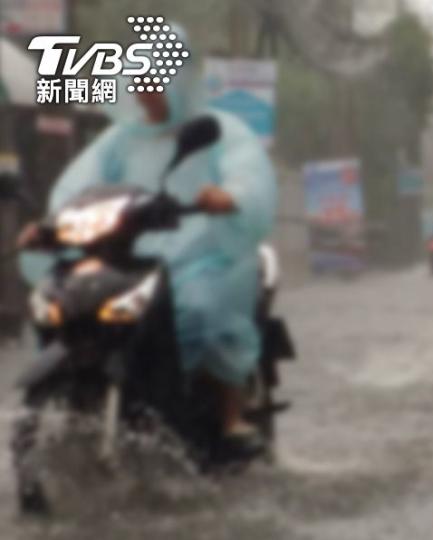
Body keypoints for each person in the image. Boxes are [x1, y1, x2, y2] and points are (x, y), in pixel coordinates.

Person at [17, 28, 276, 450]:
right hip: (129, 254)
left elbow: (247, 173)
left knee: (202, 311)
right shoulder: (120, 140)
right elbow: (78, 186)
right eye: (138, 81)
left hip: (203, 254)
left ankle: (231, 415)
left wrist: (228, 196)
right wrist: (50, 224)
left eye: (153, 82)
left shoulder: (218, 131)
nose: (143, 92)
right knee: (70, 304)